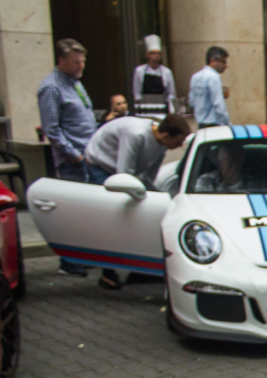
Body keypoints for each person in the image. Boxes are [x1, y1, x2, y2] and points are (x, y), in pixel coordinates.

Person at [83, 113, 189, 289]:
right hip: (101, 164)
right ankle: (107, 274)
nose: (178, 147)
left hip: (121, 170)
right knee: (112, 217)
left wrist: (162, 199)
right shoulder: (135, 135)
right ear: (166, 136)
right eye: (177, 142)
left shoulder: (162, 145)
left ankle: (140, 270)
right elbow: (124, 173)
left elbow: (148, 178)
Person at [38, 38, 98, 275]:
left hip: (87, 154)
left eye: (82, 62)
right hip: (73, 159)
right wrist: (74, 156)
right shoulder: (51, 87)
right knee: (73, 213)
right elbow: (51, 129)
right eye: (75, 62)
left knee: (87, 211)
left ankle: (83, 256)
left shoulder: (75, 83)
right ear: (61, 61)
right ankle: (70, 262)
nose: (80, 67)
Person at [190, 46, 230, 128]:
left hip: (201, 124)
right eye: (223, 62)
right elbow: (218, 104)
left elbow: (192, 101)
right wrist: (227, 123)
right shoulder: (214, 77)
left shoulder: (195, 76)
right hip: (213, 124)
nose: (225, 66)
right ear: (213, 61)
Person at [132, 34, 175, 106]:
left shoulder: (167, 72)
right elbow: (137, 93)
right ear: (147, 54)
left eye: (158, 53)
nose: (156, 56)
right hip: (145, 106)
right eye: (153, 53)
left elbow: (171, 94)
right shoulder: (139, 71)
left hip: (162, 105)